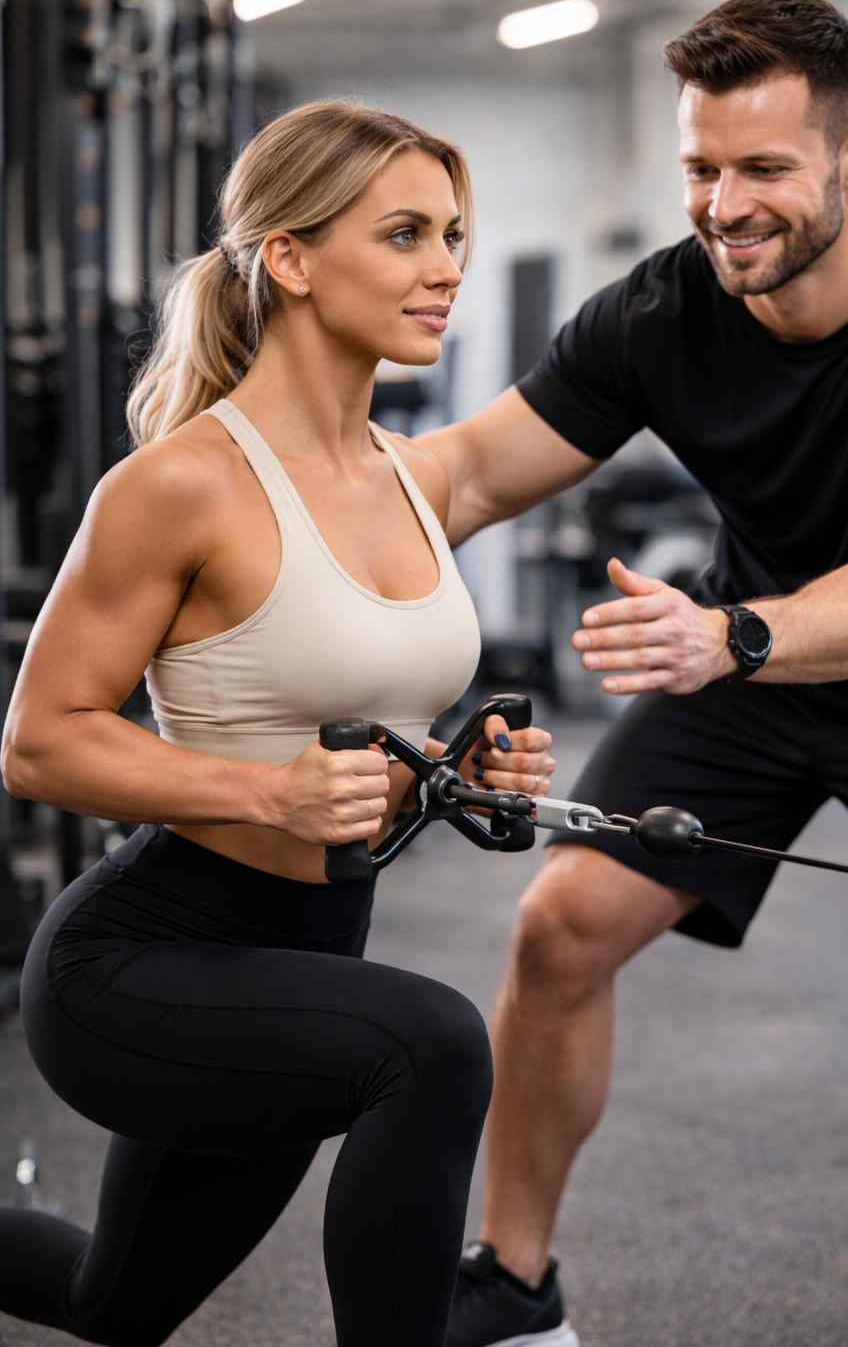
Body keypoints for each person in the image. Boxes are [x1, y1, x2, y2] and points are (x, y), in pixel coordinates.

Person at [425, 0, 848, 1347]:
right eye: (702, 168)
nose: (724, 205)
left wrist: (730, 635)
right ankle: (514, 1290)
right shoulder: (658, 313)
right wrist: (258, 499)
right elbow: (462, 473)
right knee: (558, 929)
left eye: (763, 169)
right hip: (746, 680)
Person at [0, 100, 556, 1347]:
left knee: (117, 1303)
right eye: (405, 234)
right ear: (290, 260)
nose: (447, 268)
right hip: (137, 966)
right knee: (431, 1045)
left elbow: (357, 748)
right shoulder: (179, 484)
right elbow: (37, 738)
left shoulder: (414, 478)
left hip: (301, 961)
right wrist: (267, 797)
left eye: (455, 234)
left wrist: (459, 771)